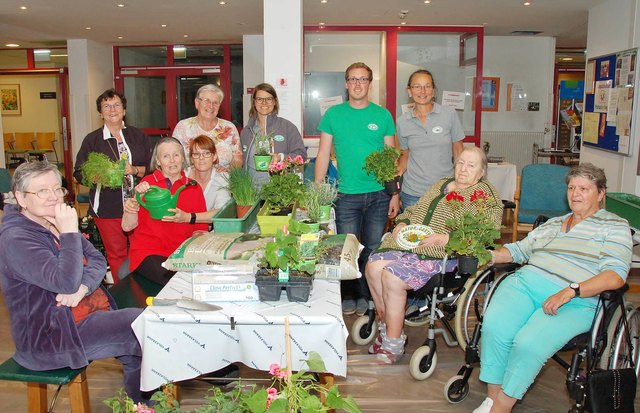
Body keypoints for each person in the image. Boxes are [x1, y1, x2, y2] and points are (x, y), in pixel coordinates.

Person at [474, 163, 632, 413]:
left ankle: (501, 407)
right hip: (526, 285)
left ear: (601, 193)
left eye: (584, 188)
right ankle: (494, 400)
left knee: (528, 343)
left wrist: (572, 290)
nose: (575, 194)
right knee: (495, 327)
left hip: (575, 299)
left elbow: (615, 276)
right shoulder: (552, 224)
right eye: (571, 188)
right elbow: (518, 250)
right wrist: (488, 256)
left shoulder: (615, 226)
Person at [0, 161, 146, 403]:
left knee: (142, 337)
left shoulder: (51, 220)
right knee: (142, 325)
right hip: (49, 336)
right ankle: (145, 404)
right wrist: (68, 232)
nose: (53, 197)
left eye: (57, 189)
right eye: (42, 191)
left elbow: (98, 259)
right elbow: (65, 282)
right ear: (21, 198)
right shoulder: (17, 239)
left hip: (80, 313)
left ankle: (142, 404)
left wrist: (83, 288)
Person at [365, 146, 502, 364]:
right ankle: (389, 327)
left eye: (471, 165)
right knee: (373, 267)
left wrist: (446, 239)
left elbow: (485, 234)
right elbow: (414, 209)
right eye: (460, 163)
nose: (464, 169)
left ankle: (392, 342)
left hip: (442, 255)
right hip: (410, 245)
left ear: (482, 171)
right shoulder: (441, 184)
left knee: (392, 277)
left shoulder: (484, 195)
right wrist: (402, 223)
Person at [315, 62, 400, 317]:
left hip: (378, 195)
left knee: (372, 247)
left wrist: (394, 193)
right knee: (348, 247)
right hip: (346, 195)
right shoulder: (333, 115)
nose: (357, 84)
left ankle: (368, 294)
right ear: (345, 83)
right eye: (352, 79)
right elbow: (322, 154)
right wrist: (319, 193)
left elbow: (391, 156)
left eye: (363, 79)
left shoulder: (382, 115)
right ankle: (349, 293)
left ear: (370, 84)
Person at [73, 88, 153, 281]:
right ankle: (123, 294)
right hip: (107, 209)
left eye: (116, 105)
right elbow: (78, 172)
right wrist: (95, 177)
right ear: (100, 113)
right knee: (117, 254)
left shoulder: (137, 136)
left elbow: (153, 168)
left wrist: (134, 170)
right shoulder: (92, 140)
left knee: (142, 250)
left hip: (139, 205)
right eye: (106, 106)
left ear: (124, 110)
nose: (112, 109)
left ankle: (142, 289)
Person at [122, 137, 208, 285]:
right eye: (166, 156)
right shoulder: (146, 185)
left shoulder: (193, 187)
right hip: (149, 252)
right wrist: (132, 206)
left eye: (176, 155)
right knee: (175, 281)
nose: (172, 160)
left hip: (181, 255)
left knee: (200, 279)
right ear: (158, 161)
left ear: (183, 158)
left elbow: (200, 230)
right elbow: (127, 227)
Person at [397, 69, 465, 208]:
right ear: (409, 91)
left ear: (433, 91)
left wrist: (461, 182)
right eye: (417, 86)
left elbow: (458, 150)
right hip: (413, 193)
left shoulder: (449, 114)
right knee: (414, 230)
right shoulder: (402, 121)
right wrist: (395, 176)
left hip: (445, 190)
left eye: (427, 86)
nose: (422, 91)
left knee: (444, 230)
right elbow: (405, 154)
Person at [239, 83, 307, 187]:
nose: (264, 102)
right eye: (259, 99)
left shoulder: (287, 127)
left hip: (278, 191)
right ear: (254, 102)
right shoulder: (247, 131)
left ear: (275, 102)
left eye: (269, 99)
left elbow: (301, 156)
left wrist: (281, 157)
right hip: (251, 193)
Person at [172, 84, 243, 172]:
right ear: (197, 103)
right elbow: (173, 158)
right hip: (189, 182)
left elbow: (238, 158)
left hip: (221, 182)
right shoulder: (183, 127)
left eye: (215, 103)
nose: (211, 106)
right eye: (207, 101)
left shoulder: (229, 127)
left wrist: (227, 170)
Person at [188, 135, 230, 221]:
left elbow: (222, 213)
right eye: (196, 154)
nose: (201, 158)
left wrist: (189, 218)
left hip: (209, 230)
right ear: (191, 159)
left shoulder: (222, 179)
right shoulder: (183, 176)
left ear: (214, 156)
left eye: (207, 153)